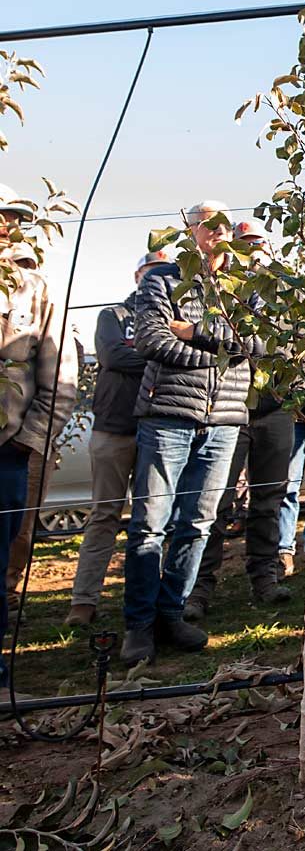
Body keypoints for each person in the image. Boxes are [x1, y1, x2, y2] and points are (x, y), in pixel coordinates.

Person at [120, 201, 262, 665]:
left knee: (199, 523)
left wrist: (197, 332)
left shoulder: (249, 287)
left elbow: (263, 342)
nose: (217, 231)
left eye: (224, 223)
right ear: (192, 230)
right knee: (149, 525)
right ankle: (138, 625)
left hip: (224, 419)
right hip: (167, 415)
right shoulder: (163, 279)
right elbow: (151, 340)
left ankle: (171, 612)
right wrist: (223, 351)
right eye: (207, 224)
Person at [184, 221, 294, 619]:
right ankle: (198, 587)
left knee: (270, 496)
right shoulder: (223, 293)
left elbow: (291, 342)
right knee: (214, 501)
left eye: (259, 244)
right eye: (245, 245)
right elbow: (222, 340)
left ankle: (264, 576)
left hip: (275, 407)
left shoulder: (285, 293)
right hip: (230, 408)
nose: (254, 253)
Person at [64, 251, 172, 626]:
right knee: (104, 515)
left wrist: (160, 352)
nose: (155, 278)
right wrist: (167, 355)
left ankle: (146, 599)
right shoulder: (113, 315)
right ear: (137, 274)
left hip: (158, 428)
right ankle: (84, 600)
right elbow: (112, 357)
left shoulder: (174, 317)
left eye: (163, 271)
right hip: (113, 427)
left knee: (153, 519)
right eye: (150, 271)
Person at [0, 186, 78, 693]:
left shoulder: (35, 289)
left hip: (5, 452)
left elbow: (61, 378)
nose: (4, 225)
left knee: (3, 559)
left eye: (8, 217)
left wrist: (27, 440)